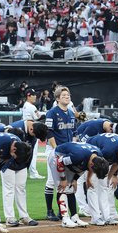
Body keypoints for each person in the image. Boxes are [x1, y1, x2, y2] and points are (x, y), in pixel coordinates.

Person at [48, 142, 109, 228]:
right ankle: (65, 219)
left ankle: (74, 217)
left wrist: (75, 179)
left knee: (71, 188)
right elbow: (60, 162)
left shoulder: (98, 156)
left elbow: (84, 167)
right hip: (56, 157)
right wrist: (63, 179)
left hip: (70, 161)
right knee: (62, 187)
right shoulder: (78, 156)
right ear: (92, 164)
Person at [86, 133, 118, 225]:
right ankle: (95, 218)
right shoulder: (108, 150)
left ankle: (106, 217)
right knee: (93, 186)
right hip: (90, 151)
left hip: (102, 156)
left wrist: (108, 178)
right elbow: (95, 163)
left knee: (104, 187)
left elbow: (117, 163)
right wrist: (88, 178)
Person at [4, 120, 48, 227]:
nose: (36, 138)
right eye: (36, 136)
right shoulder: (14, 128)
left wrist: (26, 167)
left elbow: (30, 151)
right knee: (9, 189)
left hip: (22, 164)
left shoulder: (33, 131)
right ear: (31, 129)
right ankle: (9, 217)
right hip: (8, 162)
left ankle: (24, 216)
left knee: (21, 188)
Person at [44, 86, 76, 221]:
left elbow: (74, 132)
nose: (67, 97)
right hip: (54, 150)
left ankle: (61, 211)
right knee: (52, 181)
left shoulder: (71, 113)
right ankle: (49, 210)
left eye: (68, 95)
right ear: (57, 99)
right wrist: (56, 150)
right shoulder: (52, 113)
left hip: (67, 151)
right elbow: (49, 131)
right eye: (63, 96)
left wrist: (73, 146)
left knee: (66, 182)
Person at [22, 88, 44, 179]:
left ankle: (29, 171)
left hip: (27, 129)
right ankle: (33, 173)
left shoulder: (26, 105)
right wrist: (45, 114)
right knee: (33, 152)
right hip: (31, 129)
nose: (35, 97)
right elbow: (38, 117)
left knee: (28, 152)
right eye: (33, 95)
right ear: (28, 96)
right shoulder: (31, 106)